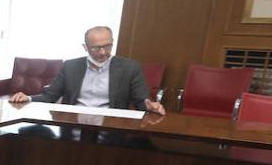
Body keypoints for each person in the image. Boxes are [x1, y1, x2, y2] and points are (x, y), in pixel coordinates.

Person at [10, 26, 166, 115]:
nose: (103, 52)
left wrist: (149, 105)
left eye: (107, 46)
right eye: (96, 48)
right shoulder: (70, 66)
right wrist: (28, 98)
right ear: (85, 47)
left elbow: (141, 101)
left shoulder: (130, 68)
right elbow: (51, 96)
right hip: (73, 125)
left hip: (111, 128)